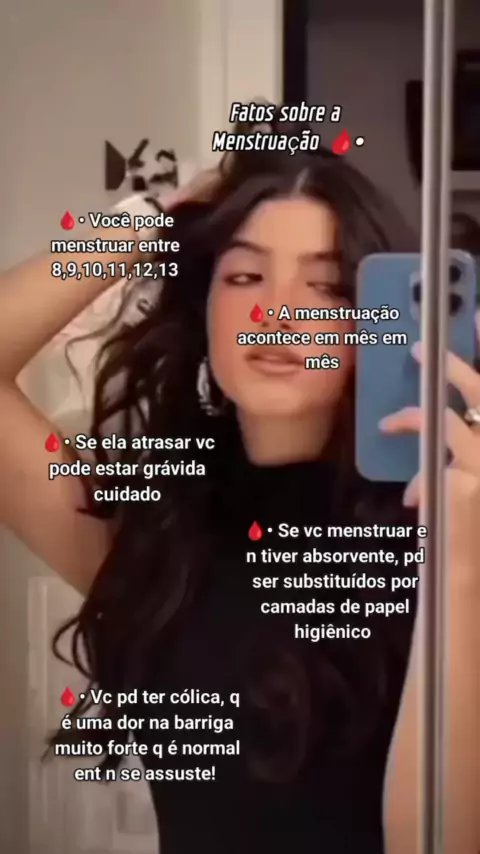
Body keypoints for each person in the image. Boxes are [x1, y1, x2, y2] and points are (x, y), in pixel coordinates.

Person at [0, 120, 478, 854]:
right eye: (245, 277)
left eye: (327, 286)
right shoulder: (157, 541)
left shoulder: (444, 535)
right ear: (204, 310)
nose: (277, 311)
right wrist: (151, 218)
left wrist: (461, 571)